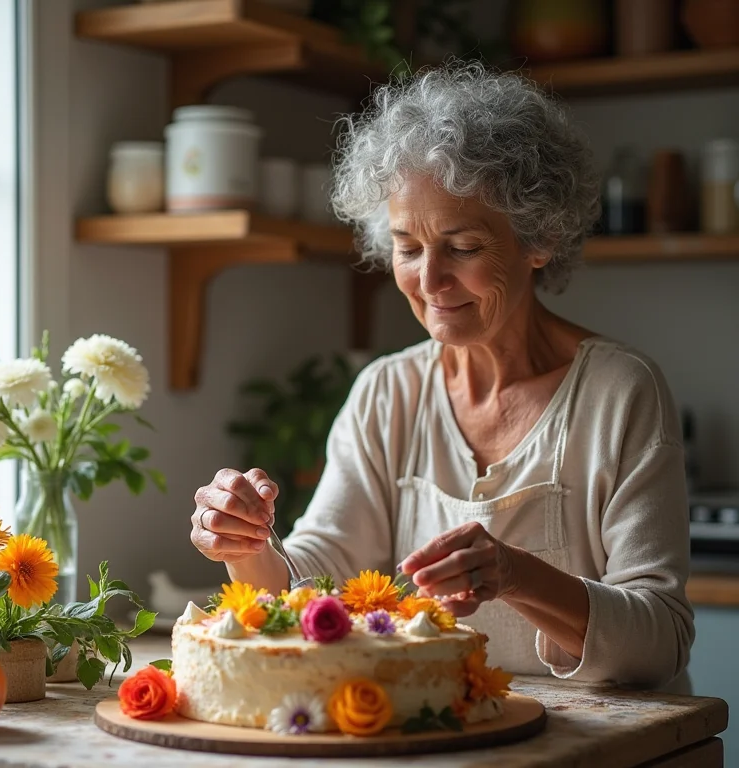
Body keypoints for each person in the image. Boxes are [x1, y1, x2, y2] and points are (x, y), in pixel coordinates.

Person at [190, 63, 694, 688]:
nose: (429, 282)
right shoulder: (387, 392)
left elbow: (659, 642)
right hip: (439, 737)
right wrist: (248, 549)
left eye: (463, 247)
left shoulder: (622, 392)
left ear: (541, 239)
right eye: (407, 247)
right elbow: (315, 579)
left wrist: (515, 575)